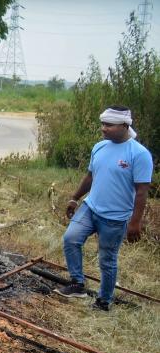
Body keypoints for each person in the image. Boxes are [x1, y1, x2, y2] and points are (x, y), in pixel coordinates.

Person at [54, 106, 153, 311]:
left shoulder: (139, 154)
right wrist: (74, 198)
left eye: (109, 125)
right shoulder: (100, 147)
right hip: (90, 208)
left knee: (107, 260)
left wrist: (135, 222)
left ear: (125, 126)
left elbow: (142, 192)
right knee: (70, 239)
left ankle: (104, 301)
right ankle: (77, 284)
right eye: (103, 124)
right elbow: (90, 176)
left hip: (115, 218)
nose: (103, 128)